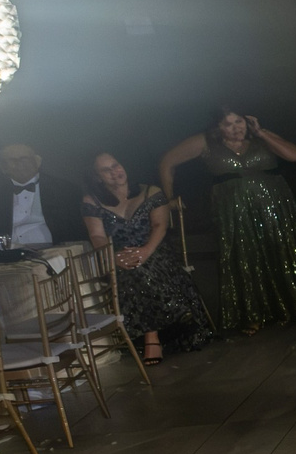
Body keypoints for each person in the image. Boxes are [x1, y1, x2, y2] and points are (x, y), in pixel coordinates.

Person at [157, 110, 296, 332]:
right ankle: (252, 314)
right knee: (243, 257)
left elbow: (295, 155)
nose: (236, 127)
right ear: (218, 128)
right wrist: (168, 199)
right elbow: (167, 161)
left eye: (239, 121)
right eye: (228, 124)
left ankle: (293, 306)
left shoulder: (260, 136)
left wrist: (261, 133)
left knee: (280, 251)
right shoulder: (206, 142)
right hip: (233, 212)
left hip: (273, 206)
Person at [82, 152, 214, 361]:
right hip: (120, 255)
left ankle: (151, 338)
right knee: (131, 270)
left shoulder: (150, 191)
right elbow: (96, 235)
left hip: (155, 249)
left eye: (116, 165)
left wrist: (145, 251)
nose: (114, 172)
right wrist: (113, 256)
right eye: (106, 170)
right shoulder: (92, 201)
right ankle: (174, 312)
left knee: (141, 269)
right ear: (98, 177)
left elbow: (159, 226)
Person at [0, 143, 82, 248]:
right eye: (12, 160)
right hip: (10, 253)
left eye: (24, 159)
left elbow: (75, 228)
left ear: (37, 161)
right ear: (2, 167)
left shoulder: (62, 189)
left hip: (53, 251)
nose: (19, 164)